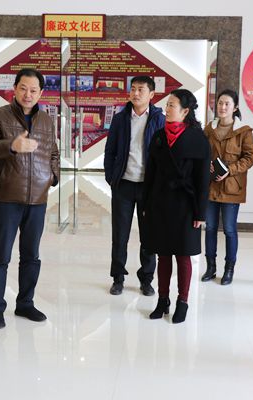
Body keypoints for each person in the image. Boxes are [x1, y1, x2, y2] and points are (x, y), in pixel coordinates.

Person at [0, 68, 60, 329]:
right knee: (1, 256)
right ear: (14, 88)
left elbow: (54, 152)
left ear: (41, 93)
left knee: (31, 256)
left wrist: (52, 177)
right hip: (7, 198)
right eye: (23, 88)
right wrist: (11, 146)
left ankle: (25, 303)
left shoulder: (46, 120)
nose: (28, 94)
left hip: (38, 200)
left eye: (34, 90)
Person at [142, 89, 210, 323]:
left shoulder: (198, 138)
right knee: (163, 254)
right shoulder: (159, 136)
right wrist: (146, 203)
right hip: (160, 203)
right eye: (167, 104)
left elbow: (203, 179)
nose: (167, 109)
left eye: (172, 105)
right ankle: (163, 300)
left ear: (185, 111)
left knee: (183, 255)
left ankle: (183, 301)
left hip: (186, 205)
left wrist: (200, 212)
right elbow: (150, 173)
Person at [104, 76, 165, 296]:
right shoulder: (120, 119)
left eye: (141, 89)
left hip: (149, 188)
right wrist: (111, 178)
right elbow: (110, 151)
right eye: (133, 89)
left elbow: (164, 154)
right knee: (120, 236)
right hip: (124, 185)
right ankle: (118, 278)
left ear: (151, 94)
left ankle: (146, 279)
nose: (136, 93)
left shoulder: (159, 119)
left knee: (148, 236)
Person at [202, 89, 253, 285]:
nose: (222, 107)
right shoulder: (208, 129)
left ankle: (229, 269)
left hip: (232, 187)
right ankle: (210, 268)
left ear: (235, 107)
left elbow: (250, 157)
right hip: (211, 186)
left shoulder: (244, 131)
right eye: (220, 103)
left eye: (227, 104)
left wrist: (230, 170)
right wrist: (206, 164)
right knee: (210, 228)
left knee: (230, 230)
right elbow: (201, 153)